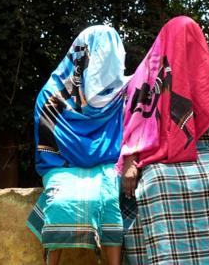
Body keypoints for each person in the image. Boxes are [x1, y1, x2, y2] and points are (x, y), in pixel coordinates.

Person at [118, 16, 209, 264]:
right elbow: (134, 121)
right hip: (160, 149)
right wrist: (130, 159)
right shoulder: (148, 74)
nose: (187, 45)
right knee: (156, 183)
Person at [26, 25, 130, 265]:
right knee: (62, 202)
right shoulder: (52, 95)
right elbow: (49, 147)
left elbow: (132, 133)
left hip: (107, 166)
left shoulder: (123, 94)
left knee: (109, 201)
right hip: (62, 166)